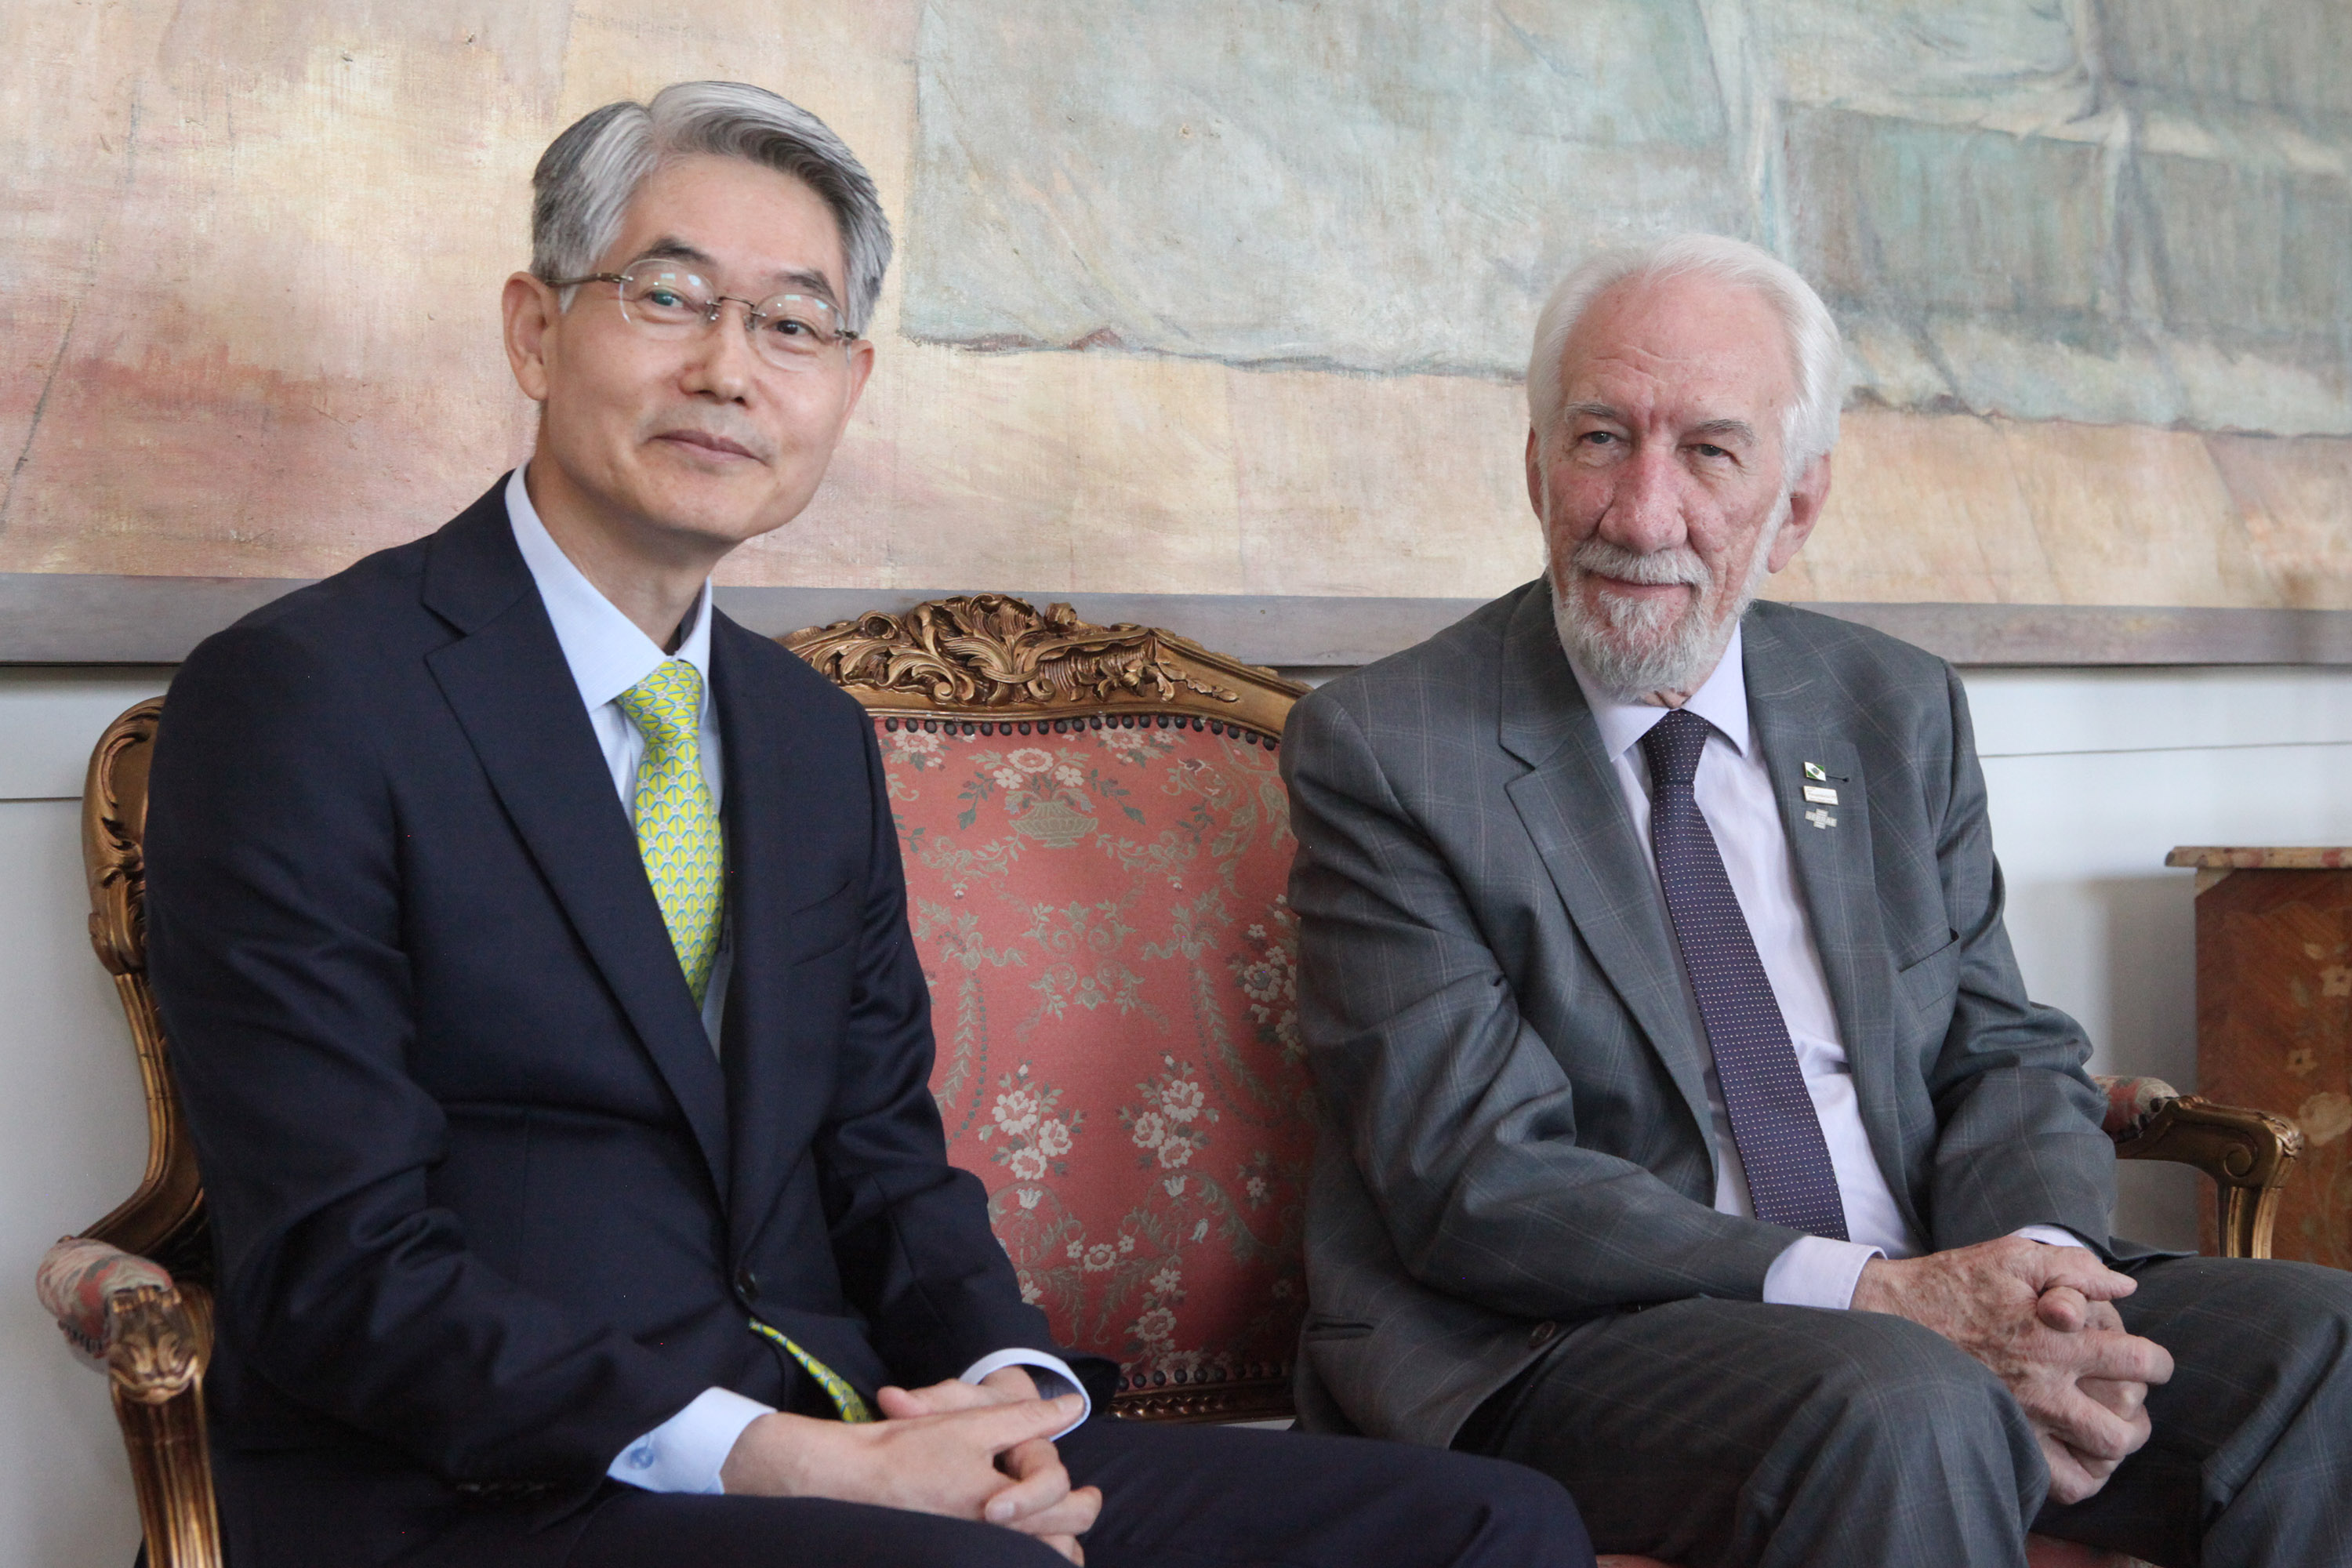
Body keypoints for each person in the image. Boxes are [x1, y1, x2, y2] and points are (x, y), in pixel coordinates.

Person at [141, 81, 1589, 1568]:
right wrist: (783, 1460)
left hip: (846, 1436)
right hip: (493, 1486)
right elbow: (339, 1265)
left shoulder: (806, 736)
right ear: (534, 328)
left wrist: (1011, 1404)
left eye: (792, 324)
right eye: (670, 295)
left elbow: (885, 1165)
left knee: (1492, 1527)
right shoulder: (305, 698)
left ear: (847, 380)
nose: (727, 369)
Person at [1280, 231, 2352, 1568]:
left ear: (1796, 505)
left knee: (2324, 1348)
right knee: (1908, 1401)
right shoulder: (1393, 746)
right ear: (1534, 464)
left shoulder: (1890, 707)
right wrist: (1886, 1301)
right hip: (1574, 1341)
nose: (1640, 510)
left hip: (1931, 1290)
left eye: (1711, 453)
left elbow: (2004, 1049)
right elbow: (1472, 1178)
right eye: (1601, 438)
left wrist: (2038, 1279)